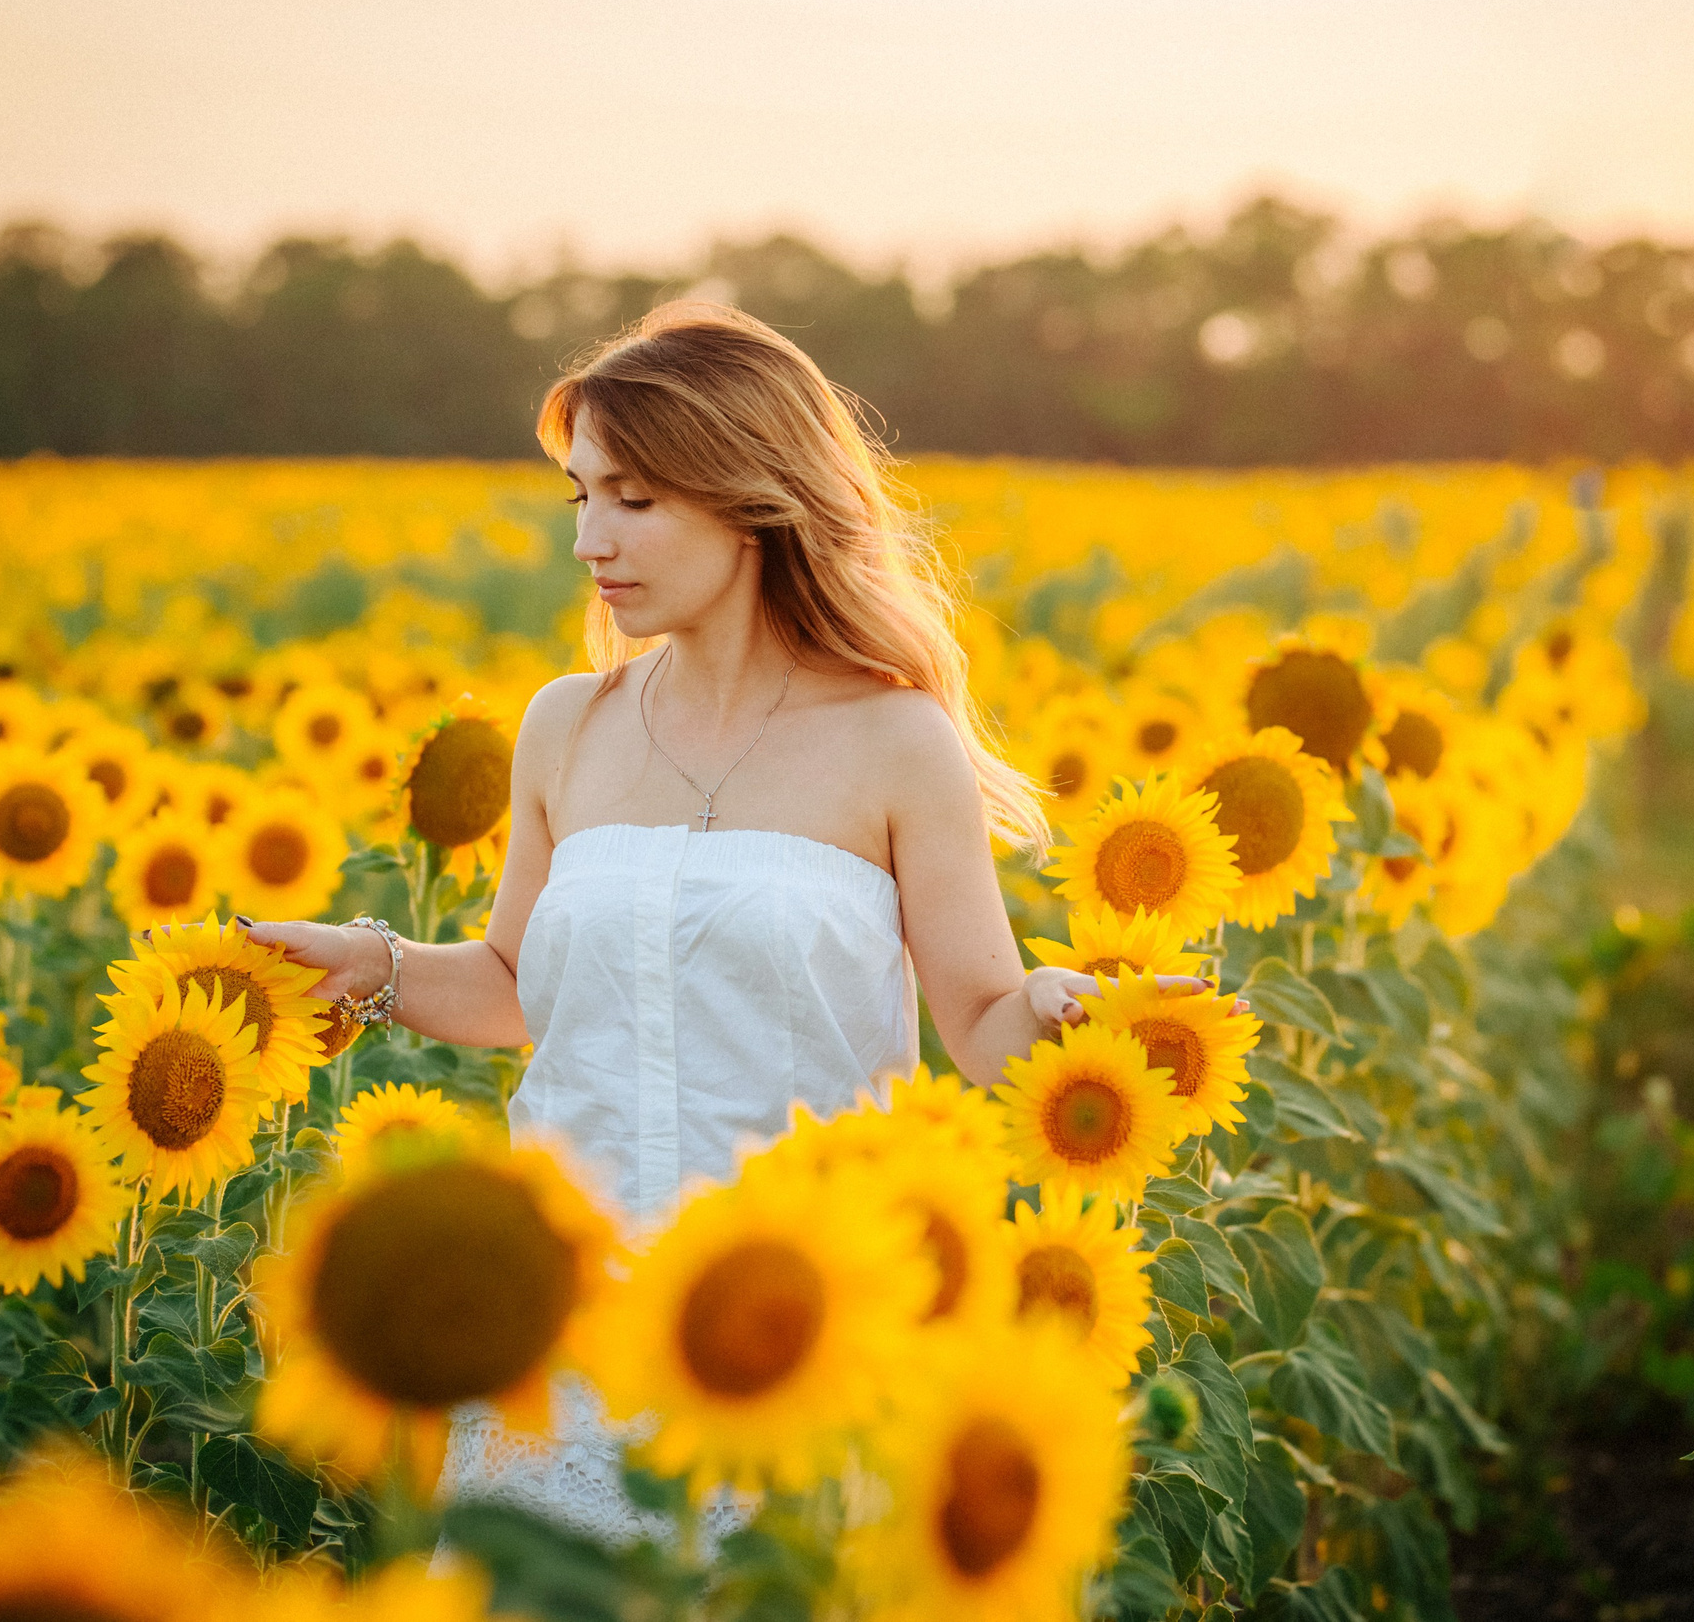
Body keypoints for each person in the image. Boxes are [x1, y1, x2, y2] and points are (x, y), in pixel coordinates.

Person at [241, 301, 1111, 1545]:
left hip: (791, 1332)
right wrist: (373, 963)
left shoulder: (892, 738)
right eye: (580, 498)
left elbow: (980, 1022)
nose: (590, 539)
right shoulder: (567, 725)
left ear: (750, 497)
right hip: (566, 1327)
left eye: (634, 500)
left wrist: (1067, 1013)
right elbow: (516, 986)